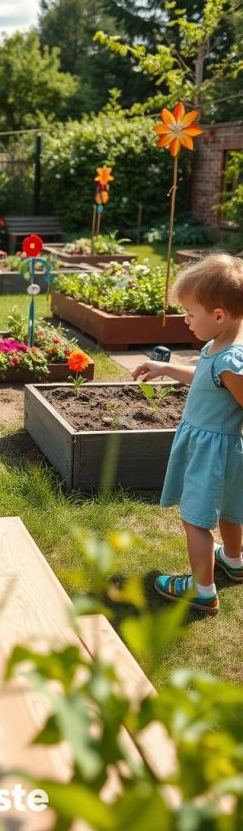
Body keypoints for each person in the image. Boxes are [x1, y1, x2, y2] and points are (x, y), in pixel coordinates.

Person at [132, 252, 243, 616]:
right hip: (221, 449)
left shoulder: (231, 361)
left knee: (195, 518)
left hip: (212, 451)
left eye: (191, 313)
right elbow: (203, 376)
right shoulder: (219, 347)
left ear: (218, 315)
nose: (186, 319)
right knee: (230, 508)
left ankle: (202, 589)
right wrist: (165, 367)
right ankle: (233, 558)